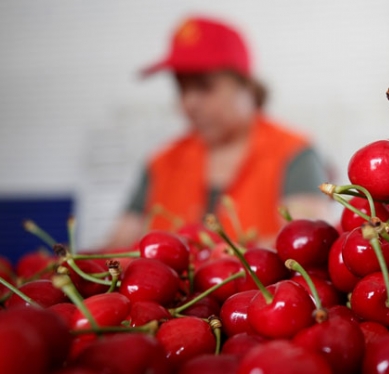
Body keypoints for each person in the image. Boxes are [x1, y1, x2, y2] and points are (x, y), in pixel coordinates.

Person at [106, 16, 330, 249]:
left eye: (204, 86)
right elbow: (116, 247)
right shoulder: (161, 163)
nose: (189, 102)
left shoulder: (293, 153)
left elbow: (307, 245)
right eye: (182, 88)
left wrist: (219, 259)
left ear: (246, 87)